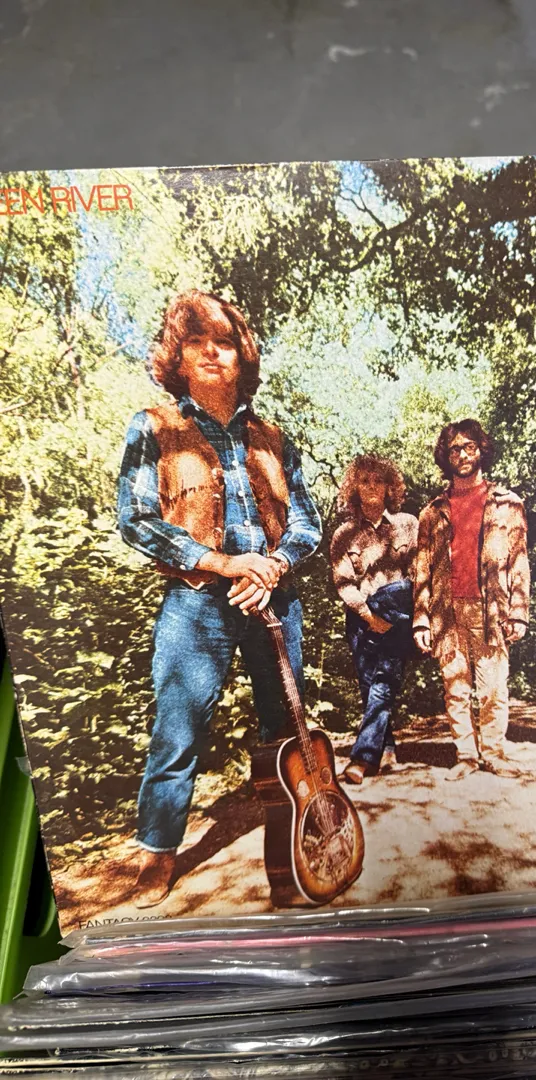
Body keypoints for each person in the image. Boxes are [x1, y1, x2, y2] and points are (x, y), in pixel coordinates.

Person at [118, 289, 321, 908]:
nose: (211, 352)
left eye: (224, 342)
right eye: (196, 341)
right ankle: (158, 854)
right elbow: (136, 520)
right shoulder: (154, 427)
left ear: (242, 356)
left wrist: (273, 566)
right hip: (197, 601)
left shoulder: (273, 438)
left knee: (285, 730)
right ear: (177, 357)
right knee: (177, 728)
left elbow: (307, 521)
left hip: (274, 600)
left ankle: (296, 848)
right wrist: (223, 562)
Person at [413, 420, 530, 780]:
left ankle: (494, 753)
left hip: (491, 610)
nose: (462, 455)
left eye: (469, 447)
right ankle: (466, 755)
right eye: (454, 449)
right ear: (445, 456)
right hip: (446, 612)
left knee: (493, 687)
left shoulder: (507, 504)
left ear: (481, 450)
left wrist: (519, 611)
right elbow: (422, 568)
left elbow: (519, 560)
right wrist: (421, 619)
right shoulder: (432, 511)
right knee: (456, 687)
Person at [330, 455, 418, 785]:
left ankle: (363, 757)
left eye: (378, 481)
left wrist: (407, 617)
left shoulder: (407, 524)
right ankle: (388, 748)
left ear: (390, 488)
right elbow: (343, 583)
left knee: (384, 680)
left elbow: (418, 575)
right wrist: (369, 616)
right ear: (354, 488)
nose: (371, 487)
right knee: (370, 685)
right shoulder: (344, 534)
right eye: (364, 481)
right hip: (360, 617)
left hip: (396, 617)